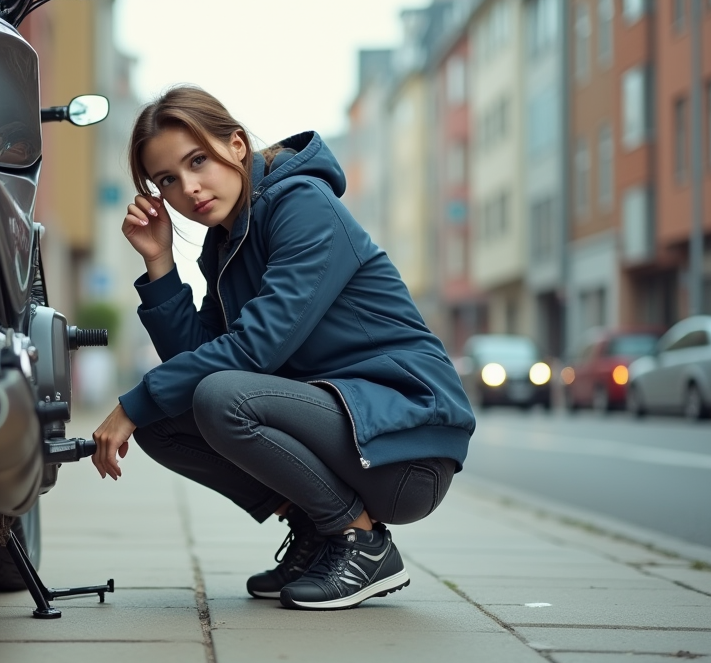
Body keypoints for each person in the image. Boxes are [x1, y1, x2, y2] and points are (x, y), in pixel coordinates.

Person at [89, 86, 476, 611]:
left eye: (198, 160)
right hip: (347, 426)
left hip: (404, 444)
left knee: (220, 398)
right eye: (167, 180)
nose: (189, 188)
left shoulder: (303, 205)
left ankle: (360, 542)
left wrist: (132, 403)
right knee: (164, 420)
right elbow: (195, 360)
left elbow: (254, 350)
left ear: (237, 145)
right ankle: (318, 530)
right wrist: (159, 264)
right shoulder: (227, 243)